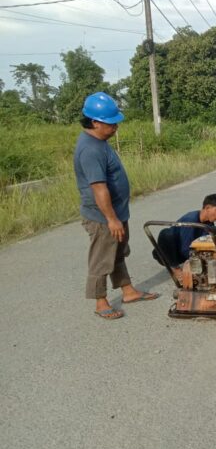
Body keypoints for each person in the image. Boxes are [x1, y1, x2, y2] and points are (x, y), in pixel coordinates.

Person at [73, 92, 159, 320]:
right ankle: (100, 302)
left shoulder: (100, 142)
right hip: (102, 217)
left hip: (116, 213)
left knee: (118, 252)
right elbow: (99, 188)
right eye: (111, 124)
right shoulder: (90, 149)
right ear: (95, 122)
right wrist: (111, 219)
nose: (115, 128)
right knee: (102, 258)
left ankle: (128, 291)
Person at [152, 194, 216, 282]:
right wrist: (200, 263)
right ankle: (175, 268)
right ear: (207, 208)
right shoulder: (191, 219)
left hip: (187, 251)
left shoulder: (208, 223)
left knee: (215, 231)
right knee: (166, 234)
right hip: (170, 253)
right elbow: (185, 249)